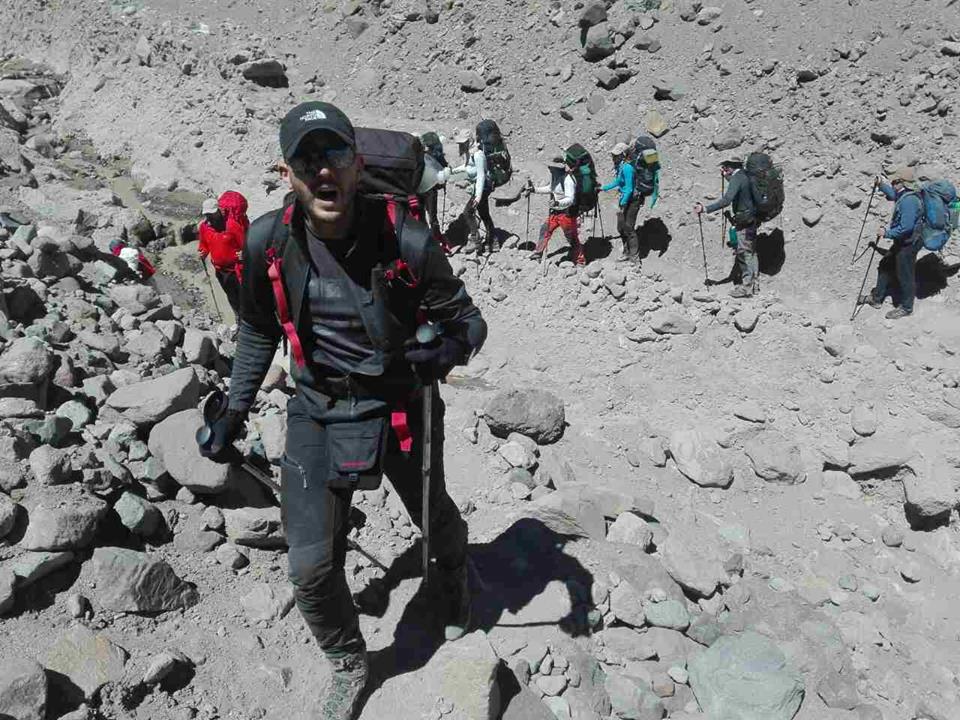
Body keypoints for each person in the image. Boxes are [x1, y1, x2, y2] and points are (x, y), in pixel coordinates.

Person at [200, 101, 486, 720]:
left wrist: (444, 351)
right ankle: (348, 661)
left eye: (334, 154)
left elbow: (468, 322)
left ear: (356, 164)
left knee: (432, 514)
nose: (322, 170)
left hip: (402, 404)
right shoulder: (268, 242)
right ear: (287, 172)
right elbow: (257, 330)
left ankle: (452, 576)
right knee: (308, 566)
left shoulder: (406, 239)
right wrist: (233, 410)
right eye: (307, 159)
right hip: (317, 408)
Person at [858, 166, 923, 319]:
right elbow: (893, 194)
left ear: (902, 183)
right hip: (903, 241)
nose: (892, 183)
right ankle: (876, 299)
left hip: (909, 244)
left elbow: (906, 228)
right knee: (885, 265)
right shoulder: (904, 194)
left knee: (905, 275)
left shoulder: (909, 201)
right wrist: (881, 185)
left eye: (894, 181)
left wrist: (886, 233)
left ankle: (906, 308)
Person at [694, 157, 758, 298]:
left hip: (744, 221)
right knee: (751, 251)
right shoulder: (745, 175)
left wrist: (705, 209)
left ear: (730, 167)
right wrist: (728, 177)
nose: (724, 169)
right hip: (752, 219)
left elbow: (727, 200)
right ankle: (754, 285)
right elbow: (739, 187)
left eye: (725, 167)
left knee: (744, 252)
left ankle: (746, 288)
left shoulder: (737, 178)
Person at [198, 191, 250, 314]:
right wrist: (203, 252)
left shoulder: (232, 225)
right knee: (231, 296)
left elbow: (246, 243)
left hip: (236, 270)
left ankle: (248, 319)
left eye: (211, 215)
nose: (209, 218)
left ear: (219, 211)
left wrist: (244, 253)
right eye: (207, 215)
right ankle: (238, 318)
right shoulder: (204, 227)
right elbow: (204, 244)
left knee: (244, 297)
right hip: (220, 271)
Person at [528, 157, 585, 266]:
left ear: (557, 168)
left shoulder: (568, 180)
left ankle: (580, 261)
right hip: (555, 212)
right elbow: (551, 188)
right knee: (545, 229)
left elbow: (570, 199)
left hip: (567, 214)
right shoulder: (555, 176)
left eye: (551, 167)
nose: (549, 168)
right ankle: (538, 253)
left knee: (571, 237)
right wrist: (535, 189)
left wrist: (557, 203)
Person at [450, 130, 495, 254]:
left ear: (469, 141)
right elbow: (467, 167)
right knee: (484, 214)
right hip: (479, 188)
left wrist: (478, 196)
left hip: (482, 188)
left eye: (463, 142)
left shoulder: (478, 155)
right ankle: (492, 241)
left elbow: (481, 175)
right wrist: (452, 171)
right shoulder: (471, 153)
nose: (460, 145)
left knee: (468, 212)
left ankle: (475, 241)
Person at [600, 143, 640, 263]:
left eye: (616, 155)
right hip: (625, 199)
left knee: (629, 228)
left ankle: (635, 258)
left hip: (632, 201)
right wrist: (604, 188)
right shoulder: (621, 166)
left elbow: (629, 189)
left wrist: (623, 203)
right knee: (621, 228)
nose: (613, 157)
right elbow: (618, 181)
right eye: (613, 155)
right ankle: (626, 253)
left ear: (623, 155)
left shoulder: (627, 168)